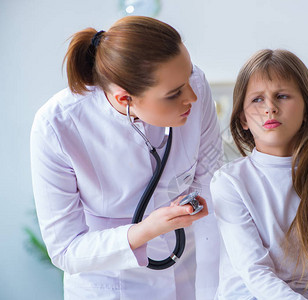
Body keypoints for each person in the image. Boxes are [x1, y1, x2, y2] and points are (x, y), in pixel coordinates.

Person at [30, 16, 222, 300]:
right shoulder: (57, 126)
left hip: (188, 276)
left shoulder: (195, 86)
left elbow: (212, 186)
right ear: (125, 99)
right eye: (174, 94)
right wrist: (147, 230)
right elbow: (66, 251)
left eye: (189, 77)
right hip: (110, 286)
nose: (191, 96)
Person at [210, 49, 308, 300]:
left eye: (282, 96)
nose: (270, 107)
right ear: (243, 118)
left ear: (306, 111)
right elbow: (254, 270)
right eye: (257, 99)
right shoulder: (229, 183)